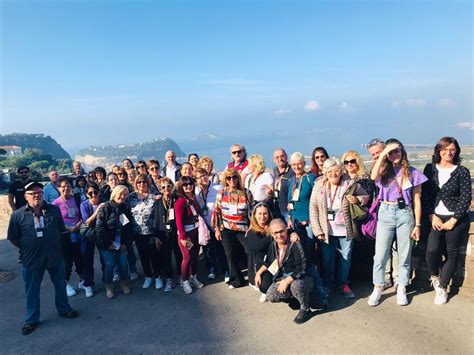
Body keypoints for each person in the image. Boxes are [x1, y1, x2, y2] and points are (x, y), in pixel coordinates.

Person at [7, 181, 79, 335]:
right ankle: (31, 320)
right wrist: (26, 247)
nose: (37, 196)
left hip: (54, 255)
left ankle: (64, 309)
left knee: (60, 284)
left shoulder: (54, 210)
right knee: (32, 290)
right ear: (26, 197)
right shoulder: (18, 215)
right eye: (33, 194)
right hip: (31, 259)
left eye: (39, 192)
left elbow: (60, 229)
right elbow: (13, 238)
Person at [368, 139, 427, 306]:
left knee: (404, 254)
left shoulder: (413, 173)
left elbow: (417, 200)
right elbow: (373, 177)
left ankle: (401, 286)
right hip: (386, 212)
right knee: (380, 254)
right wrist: (384, 153)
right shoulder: (383, 171)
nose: (394, 155)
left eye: (397, 151)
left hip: (405, 213)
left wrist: (417, 225)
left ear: (403, 152)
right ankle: (378, 286)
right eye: (391, 152)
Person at [310, 158, 369, 298]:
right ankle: (329, 284)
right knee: (328, 259)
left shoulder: (350, 184)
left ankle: (343, 284)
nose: (333, 173)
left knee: (345, 258)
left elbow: (365, 196)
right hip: (326, 230)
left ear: (341, 170)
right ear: (325, 172)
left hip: (345, 229)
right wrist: (317, 230)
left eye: (336, 170)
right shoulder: (319, 185)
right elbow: (313, 209)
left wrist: (358, 199)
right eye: (330, 171)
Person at [422, 137, 471, 305]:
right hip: (435, 216)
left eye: (452, 149)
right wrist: (431, 215)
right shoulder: (429, 169)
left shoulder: (462, 171)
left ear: (456, 151)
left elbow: (466, 198)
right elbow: (426, 194)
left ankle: (442, 288)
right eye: (445, 149)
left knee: (452, 252)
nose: (448, 152)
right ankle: (435, 276)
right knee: (432, 250)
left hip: (455, 218)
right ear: (438, 151)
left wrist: (454, 219)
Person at [255, 219, 312, 324]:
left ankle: (305, 308)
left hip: (301, 277)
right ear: (272, 234)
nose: (279, 235)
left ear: (287, 230)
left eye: (282, 231)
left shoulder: (294, 243)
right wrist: (258, 273)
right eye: (275, 233)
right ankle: (295, 298)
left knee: (296, 286)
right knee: (271, 295)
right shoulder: (273, 245)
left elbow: (302, 268)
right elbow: (270, 262)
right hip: (283, 276)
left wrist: (286, 282)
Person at [212, 168, 254, 289]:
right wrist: (217, 229)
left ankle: (253, 278)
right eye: (229, 178)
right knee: (230, 253)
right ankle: (236, 279)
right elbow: (217, 211)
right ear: (226, 180)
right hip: (227, 228)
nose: (232, 180)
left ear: (238, 178)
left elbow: (253, 211)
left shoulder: (246, 192)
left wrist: (252, 228)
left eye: (234, 177)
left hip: (243, 228)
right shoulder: (222, 193)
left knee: (250, 250)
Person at [367, 138, 398, 289]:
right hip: (384, 210)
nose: (375, 156)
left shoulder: (397, 163)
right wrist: (380, 158)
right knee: (383, 247)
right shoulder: (377, 166)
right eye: (373, 154)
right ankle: (385, 277)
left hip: (400, 209)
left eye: (378, 152)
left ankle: (397, 277)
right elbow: (374, 177)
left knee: (397, 247)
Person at [95, 185, 134, 298]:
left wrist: (126, 244)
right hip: (107, 244)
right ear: (115, 193)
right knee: (110, 265)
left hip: (121, 243)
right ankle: (109, 286)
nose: (122, 197)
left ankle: (124, 284)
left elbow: (128, 228)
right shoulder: (105, 207)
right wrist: (109, 244)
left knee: (123, 264)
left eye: (125, 195)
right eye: (121, 194)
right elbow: (100, 228)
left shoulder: (125, 208)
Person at [128, 174, 161, 289]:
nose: (141, 184)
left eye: (144, 182)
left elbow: (158, 216)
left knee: (154, 255)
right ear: (136, 184)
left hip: (151, 232)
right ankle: (148, 276)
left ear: (148, 183)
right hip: (137, 233)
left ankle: (158, 277)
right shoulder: (131, 197)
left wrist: (157, 234)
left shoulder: (154, 197)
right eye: (139, 182)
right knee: (143, 256)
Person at [52, 177, 83, 297]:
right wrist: (67, 228)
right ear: (58, 188)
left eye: (68, 185)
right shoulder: (55, 204)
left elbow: (81, 213)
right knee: (67, 261)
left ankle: (82, 279)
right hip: (64, 236)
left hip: (78, 233)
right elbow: (54, 221)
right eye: (63, 186)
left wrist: (79, 223)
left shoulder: (76, 198)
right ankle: (66, 283)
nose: (66, 188)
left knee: (80, 257)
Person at [195, 167, 227, 280]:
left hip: (219, 224)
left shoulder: (218, 188)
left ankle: (225, 270)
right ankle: (211, 270)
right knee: (208, 249)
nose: (203, 178)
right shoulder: (196, 192)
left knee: (222, 248)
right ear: (196, 179)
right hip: (205, 225)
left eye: (204, 175)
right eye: (200, 176)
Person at [174, 176, 204, 294]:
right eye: (185, 185)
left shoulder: (194, 198)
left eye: (190, 184)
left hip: (195, 231)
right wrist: (183, 237)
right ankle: (185, 281)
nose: (188, 186)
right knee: (187, 258)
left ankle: (194, 277)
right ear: (181, 187)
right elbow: (179, 221)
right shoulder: (180, 201)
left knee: (195, 256)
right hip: (186, 233)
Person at [287, 152, 316, 265]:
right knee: (300, 247)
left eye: (299, 164)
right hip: (296, 220)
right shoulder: (292, 180)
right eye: (294, 164)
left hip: (310, 220)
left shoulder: (310, 178)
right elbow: (290, 200)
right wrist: (289, 217)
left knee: (310, 247)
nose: (296, 167)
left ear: (304, 164)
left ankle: (313, 271)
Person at [153, 177, 182, 292]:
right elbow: (155, 219)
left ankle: (181, 275)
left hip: (176, 232)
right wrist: (156, 236)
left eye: (168, 186)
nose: (166, 189)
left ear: (172, 186)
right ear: (160, 189)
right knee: (166, 257)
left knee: (179, 255)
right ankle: (169, 278)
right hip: (163, 233)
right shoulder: (158, 201)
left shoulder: (177, 199)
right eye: (163, 187)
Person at [79, 182, 105, 298]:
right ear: (86, 194)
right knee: (87, 259)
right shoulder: (84, 205)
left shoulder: (104, 202)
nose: (93, 195)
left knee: (105, 258)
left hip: (101, 233)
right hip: (88, 234)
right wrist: (97, 211)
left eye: (95, 192)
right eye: (90, 193)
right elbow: (87, 222)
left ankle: (107, 280)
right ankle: (88, 284)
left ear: (99, 192)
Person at [246, 202, 273, 302]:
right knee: (264, 286)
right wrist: (272, 235)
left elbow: (285, 229)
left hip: (277, 260)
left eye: (265, 213)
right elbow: (258, 246)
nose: (263, 216)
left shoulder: (273, 225)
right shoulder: (251, 232)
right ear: (255, 215)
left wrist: (293, 233)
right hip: (263, 264)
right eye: (260, 214)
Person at [272, 148, 294, 221]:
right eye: (277, 157)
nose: (280, 159)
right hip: (277, 210)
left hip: (288, 212)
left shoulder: (292, 170)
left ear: (286, 157)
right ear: (274, 160)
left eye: (282, 156)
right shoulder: (275, 170)